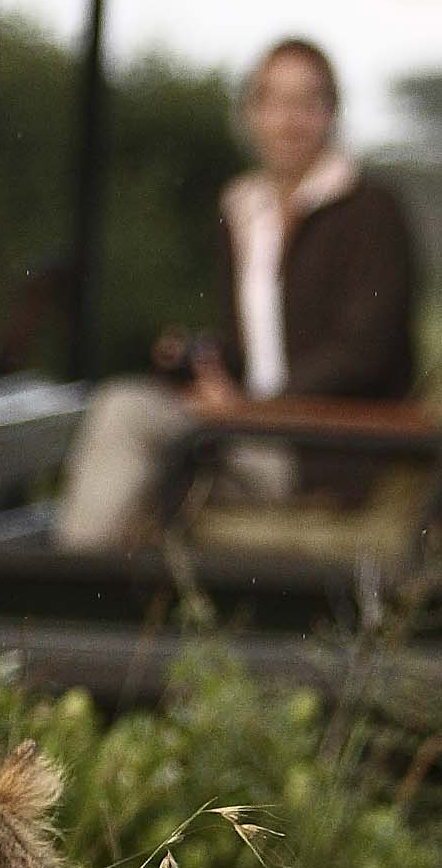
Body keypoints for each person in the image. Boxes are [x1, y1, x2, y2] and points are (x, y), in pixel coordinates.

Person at [51, 38, 419, 548]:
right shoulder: (245, 207)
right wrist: (200, 360)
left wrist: (253, 409)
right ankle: (100, 584)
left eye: (306, 103)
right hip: (250, 430)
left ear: (331, 113)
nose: (289, 121)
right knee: (135, 426)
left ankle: (65, 579)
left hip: (317, 448)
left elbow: (364, 352)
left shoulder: (371, 209)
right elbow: (253, 345)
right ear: (252, 114)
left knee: (124, 412)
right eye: (274, 103)